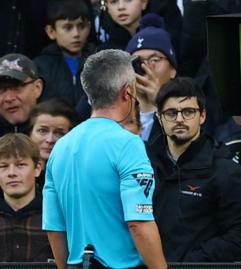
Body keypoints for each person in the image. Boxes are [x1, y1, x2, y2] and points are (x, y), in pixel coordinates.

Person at [42, 49, 168, 269]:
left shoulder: (60, 147)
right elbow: (139, 223)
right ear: (127, 92)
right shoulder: (128, 143)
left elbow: (54, 227)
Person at [147, 77, 241, 262]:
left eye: (189, 112)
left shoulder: (226, 171)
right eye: (171, 113)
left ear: (203, 116)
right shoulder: (142, 165)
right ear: (159, 118)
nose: (180, 119)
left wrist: (193, 261)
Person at [0, 133, 53, 262]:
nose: (11, 173)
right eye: (3, 166)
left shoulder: (54, 215)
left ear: (37, 168)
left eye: (20, 165)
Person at [126, 13, 177, 142]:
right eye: (138, 61)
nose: (146, 67)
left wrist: (158, 103)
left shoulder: (186, 110)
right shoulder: (115, 113)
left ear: (173, 70)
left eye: (155, 59)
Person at [34, 0, 95, 108]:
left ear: (89, 28)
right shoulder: (40, 67)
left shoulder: (99, 62)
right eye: (68, 28)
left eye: (81, 26)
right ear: (51, 32)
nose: (76, 34)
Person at [28, 98, 79, 188]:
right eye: (42, 131)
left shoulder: (79, 178)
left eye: (59, 133)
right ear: (30, 132)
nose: (50, 140)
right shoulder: (13, 173)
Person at [0, 53, 43, 136]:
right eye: (2, 90)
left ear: (37, 87)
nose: (9, 98)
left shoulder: (55, 134)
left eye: (16, 88)